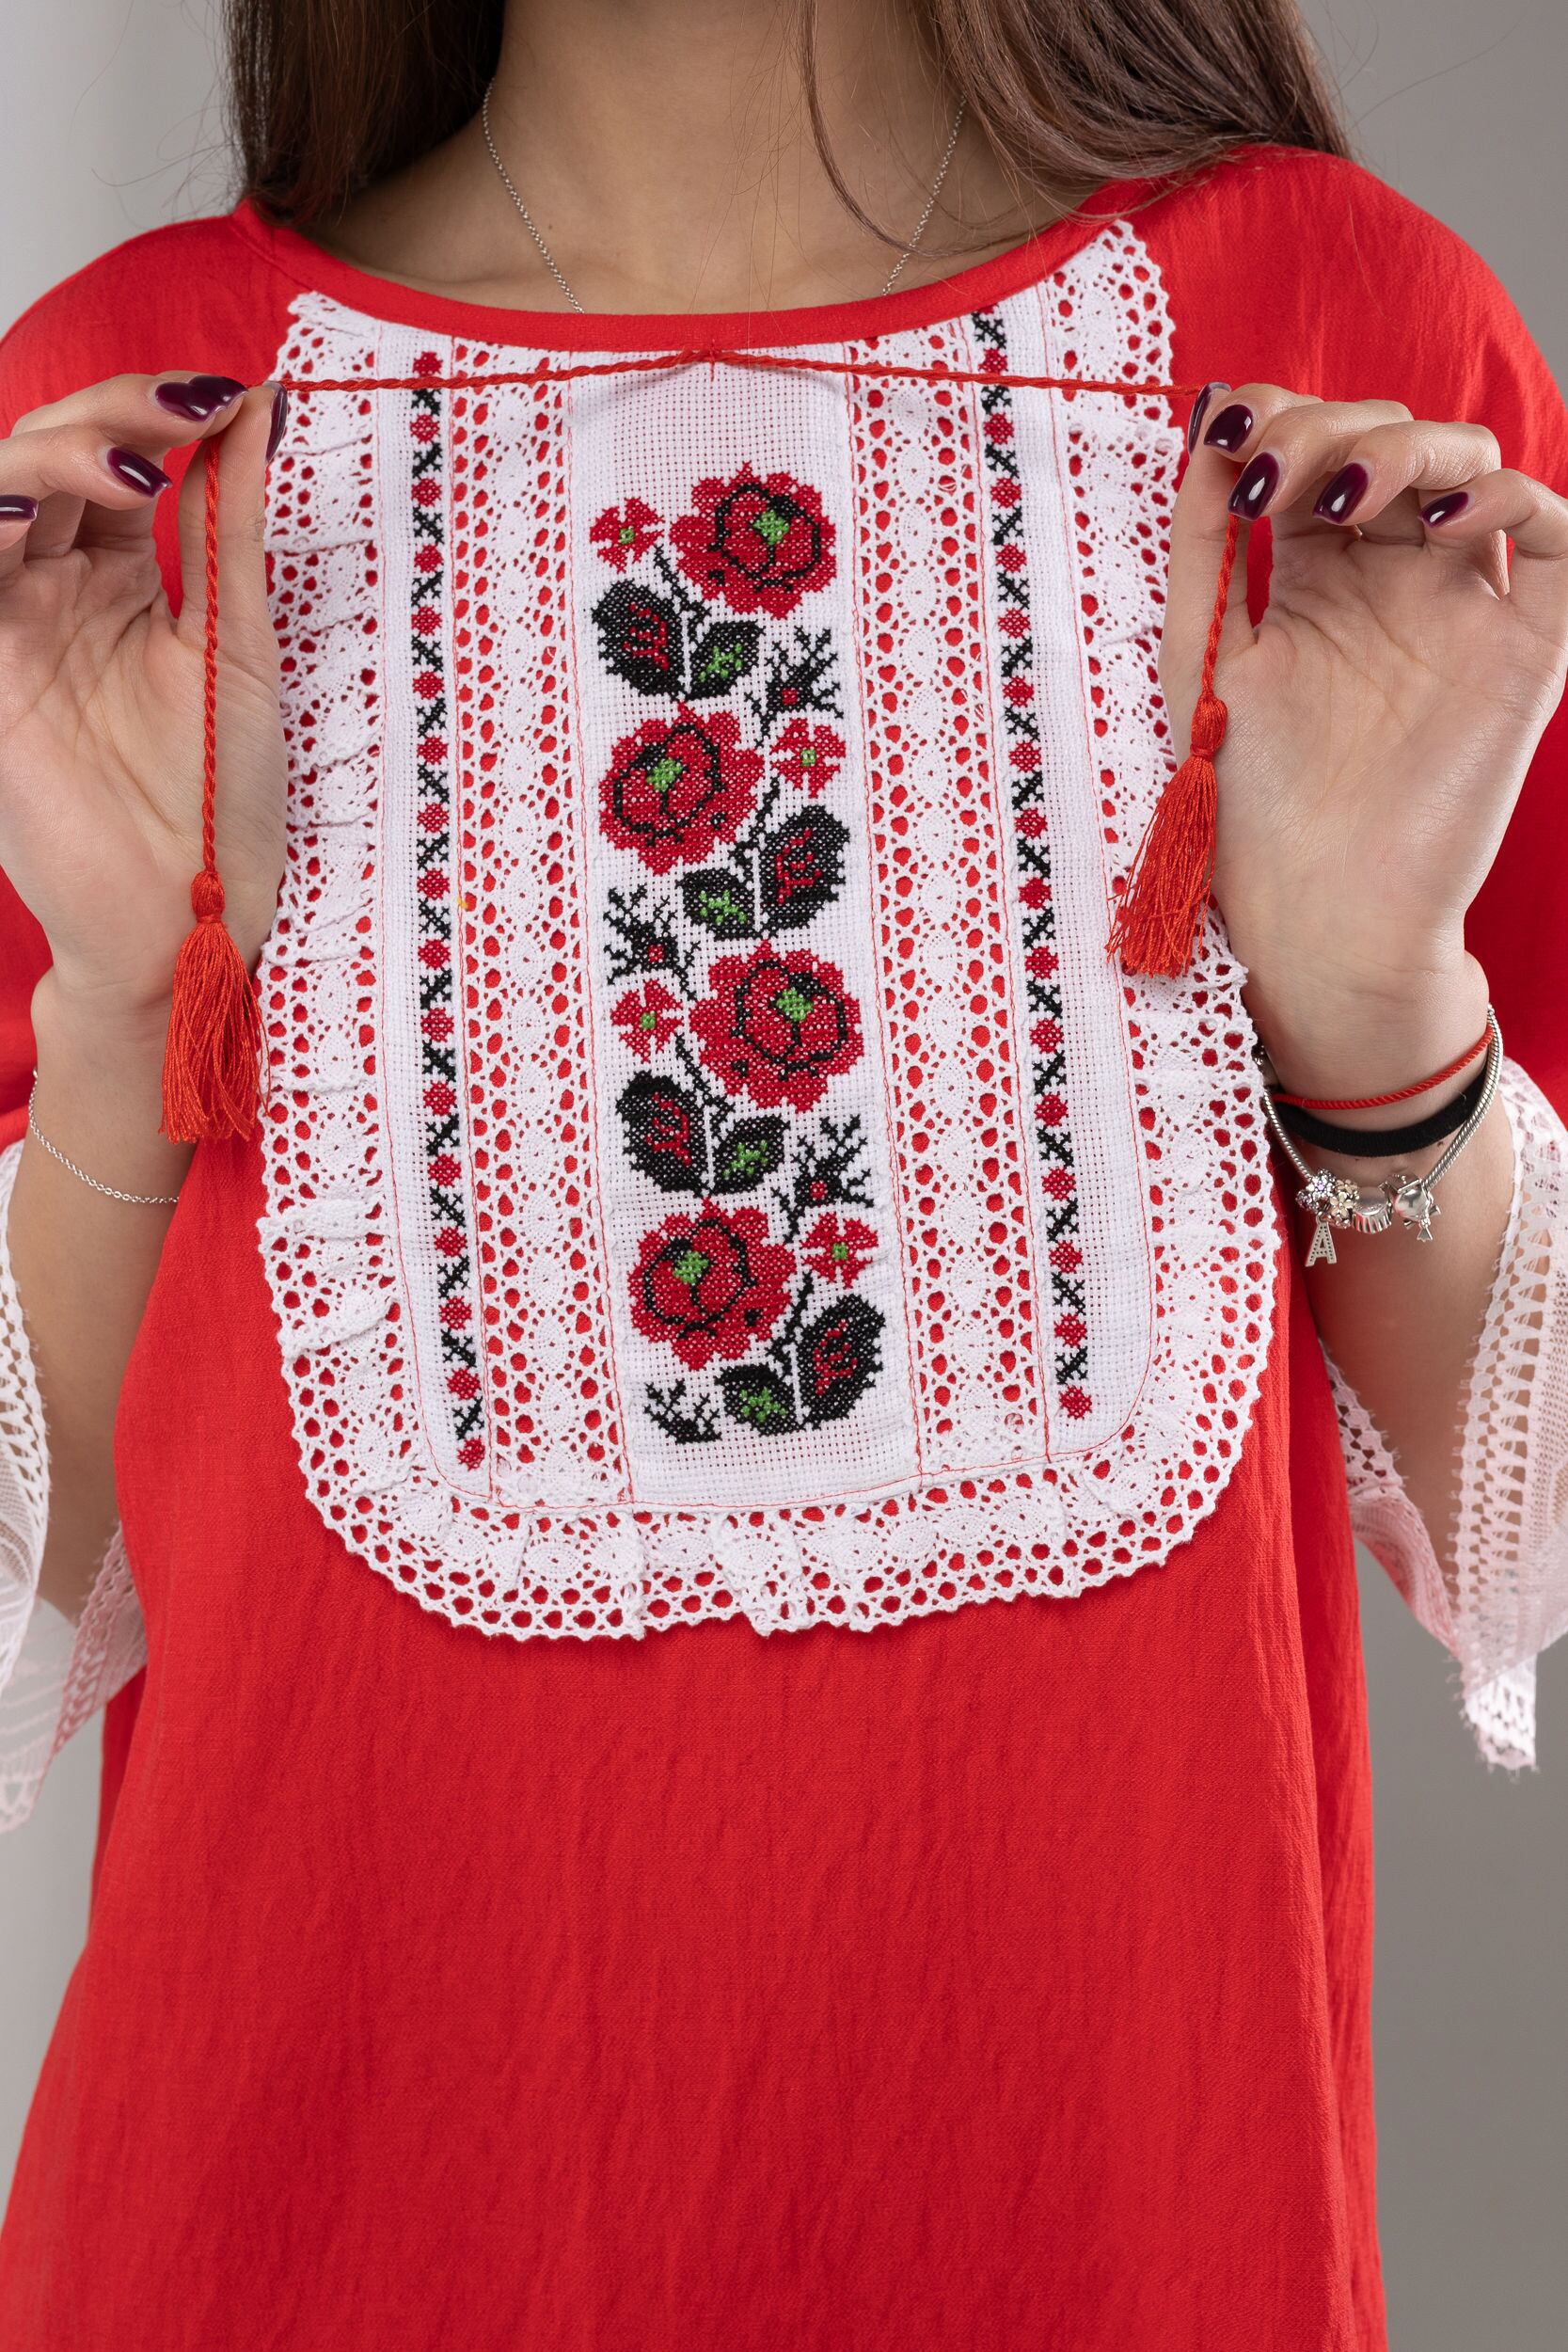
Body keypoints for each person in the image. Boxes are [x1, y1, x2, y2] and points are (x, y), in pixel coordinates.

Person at [0, 1, 1564, 2344]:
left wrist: (1372, 1001)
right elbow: (42, 1583)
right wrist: (130, 1004)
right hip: (273, 2230)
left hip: (1123, 2222)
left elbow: (1522, 1508)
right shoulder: (131, 444)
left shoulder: (1333, 359)